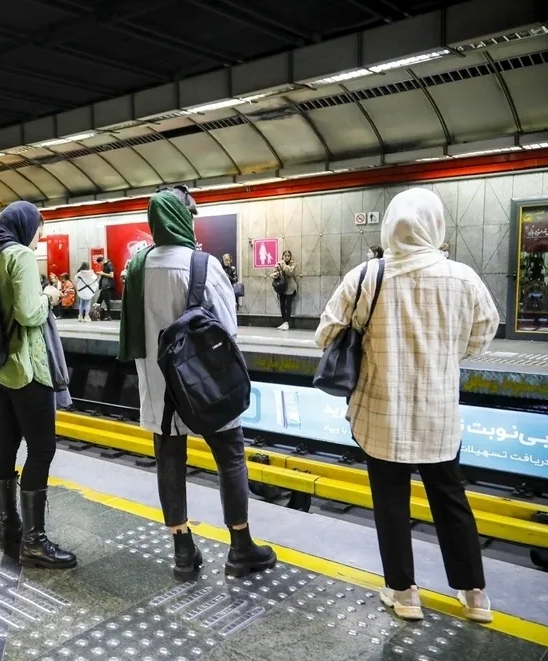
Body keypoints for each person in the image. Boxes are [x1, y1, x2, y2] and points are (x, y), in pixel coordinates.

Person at [315, 188, 498, 624]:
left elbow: (326, 334)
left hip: (383, 414)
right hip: (440, 414)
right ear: (436, 225)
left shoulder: (366, 276)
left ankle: (404, 593)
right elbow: (483, 332)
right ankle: (474, 595)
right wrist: (446, 353)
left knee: (391, 502)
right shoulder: (463, 278)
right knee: (450, 498)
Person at [119, 190, 276, 580]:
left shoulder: (137, 267)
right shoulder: (202, 264)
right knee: (230, 457)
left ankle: (183, 552)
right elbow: (228, 328)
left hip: (160, 385)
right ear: (182, 219)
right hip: (206, 384)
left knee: (170, 461)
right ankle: (240, 547)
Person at [0, 201, 75, 570]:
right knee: (42, 448)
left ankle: (9, 529)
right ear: (26, 227)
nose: (40, 238)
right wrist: (50, 296)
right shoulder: (19, 255)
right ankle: (34, 543)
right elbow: (29, 313)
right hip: (26, 367)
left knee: (5, 443)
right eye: (39, 230)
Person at [275, 250, 297, 330]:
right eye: (285, 256)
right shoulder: (279, 264)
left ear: (290, 257)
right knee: (282, 305)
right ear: (283, 256)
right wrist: (275, 273)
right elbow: (276, 272)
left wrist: (283, 264)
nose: (287, 257)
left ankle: (287, 322)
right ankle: (284, 322)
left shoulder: (293, 264)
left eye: (288, 256)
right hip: (282, 287)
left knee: (288, 305)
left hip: (290, 287)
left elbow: (290, 272)